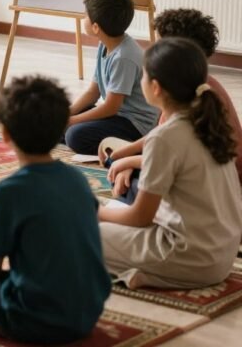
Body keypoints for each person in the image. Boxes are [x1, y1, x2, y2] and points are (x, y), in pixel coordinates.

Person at [0, 75, 110, 343]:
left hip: (33, 316)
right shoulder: (78, 179)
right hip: (87, 313)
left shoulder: (9, 191)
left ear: (5, 134)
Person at [99, 37, 242, 290]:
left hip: (187, 257)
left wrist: (93, 213)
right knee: (109, 213)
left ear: (155, 88)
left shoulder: (165, 137)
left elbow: (140, 217)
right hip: (221, 255)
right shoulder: (207, 122)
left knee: (77, 231)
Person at [104, 9, 242, 202]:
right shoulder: (196, 85)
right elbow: (164, 141)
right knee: (121, 170)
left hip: (209, 189)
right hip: (206, 180)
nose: (154, 47)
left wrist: (131, 162)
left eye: (159, 43)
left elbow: (178, 157)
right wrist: (129, 154)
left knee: (125, 180)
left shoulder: (188, 94)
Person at [65, 0, 159, 157]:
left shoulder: (124, 57)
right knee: (57, 118)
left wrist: (71, 122)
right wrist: (68, 114)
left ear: (95, 27)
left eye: (85, 15)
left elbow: (110, 108)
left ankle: (131, 148)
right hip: (117, 115)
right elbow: (92, 93)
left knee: (74, 135)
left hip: (133, 124)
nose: (82, 18)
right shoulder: (105, 44)